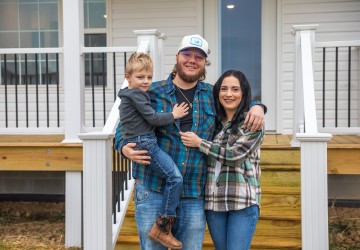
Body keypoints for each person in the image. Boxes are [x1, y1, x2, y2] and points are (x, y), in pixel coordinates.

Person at [114, 34, 266, 250]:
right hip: (154, 189)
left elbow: (236, 100)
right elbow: (124, 126)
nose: (192, 60)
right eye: (187, 54)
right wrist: (122, 147)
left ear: (204, 63)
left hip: (193, 193)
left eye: (199, 56)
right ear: (177, 57)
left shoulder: (211, 95)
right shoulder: (152, 91)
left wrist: (257, 106)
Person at [180, 69, 265, 250]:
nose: (228, 94)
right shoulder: (214, 122)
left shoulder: (252, 122)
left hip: (242, 202)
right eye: (224, 89)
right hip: (214, 203)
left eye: (235, 89)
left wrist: (199, 143)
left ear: (243, 93)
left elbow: (234, 156)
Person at [118, 52, 189, 249]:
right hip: (145, 142)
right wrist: (174, 114)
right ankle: (163, 226)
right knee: (174, 178)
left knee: (173, 178)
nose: (146, 81)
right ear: (128, 77)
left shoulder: (132, 96)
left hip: (142, 140)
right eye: (140, 77)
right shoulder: (137, 96)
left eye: (149, 77)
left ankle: (163, 224)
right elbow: (152, 118)